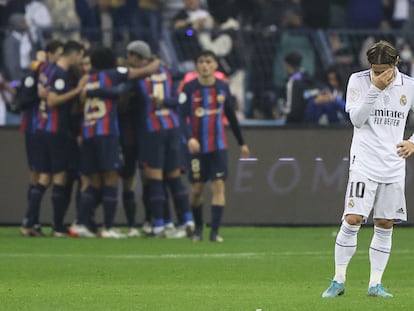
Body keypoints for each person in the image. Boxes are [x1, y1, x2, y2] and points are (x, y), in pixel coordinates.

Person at [322, 40, 414, 298]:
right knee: (353, 219)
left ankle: (375, 284)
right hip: (364, 161)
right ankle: (338, 279)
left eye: (383, 69)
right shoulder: (358, 81)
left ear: (395, 64)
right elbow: (356, 119)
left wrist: (412, 142)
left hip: (394, 164)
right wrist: (374, 88)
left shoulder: (409, 85)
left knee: (385, 223)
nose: (378, 74)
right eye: (374, 69)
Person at [69, 46, 161, 238]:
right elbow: (145, 71)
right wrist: (156, 62)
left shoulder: (88, 79)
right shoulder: (113, 74)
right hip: (106, 133)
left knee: (93, 182)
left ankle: (81, 224)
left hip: (88, 132)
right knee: (111, 179)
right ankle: (108, 227)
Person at [179, 50, 250, 242]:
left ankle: (214, 233)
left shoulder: (222, 87)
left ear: (215, 66)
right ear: (196, 66)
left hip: (218, 147)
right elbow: (181, 116)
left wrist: (241, 142)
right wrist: (189, 138)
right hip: (196, 148)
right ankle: (198, 228)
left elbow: (231, 115)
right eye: (201, 61)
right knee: (196, 190)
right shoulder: (189, 88)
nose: (204, 65)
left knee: (218, 187)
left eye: (208, 61)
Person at [125, 40, 194, 238]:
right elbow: (177, 100)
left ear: (137, 57)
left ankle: (159, 225)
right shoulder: (165, 72)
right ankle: (186, 220)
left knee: (155, 180)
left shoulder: (137, 77)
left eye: (131, 56)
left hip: (151, 130)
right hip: (172, 127)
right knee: (174, 179)